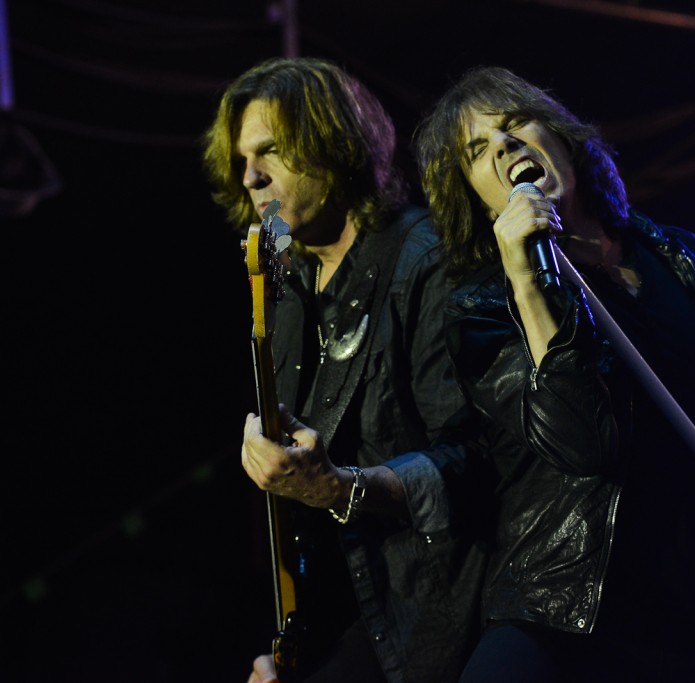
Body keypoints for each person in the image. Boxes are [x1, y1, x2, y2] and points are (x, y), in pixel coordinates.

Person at [413, 65, 695, 682]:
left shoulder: (677, 256)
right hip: (570, 611)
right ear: (475, 195)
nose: (505, 145)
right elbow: (583, 443)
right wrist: (527, 279)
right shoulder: (483, 305)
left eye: (516, 124)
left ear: (562, 136)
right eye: (478, 150)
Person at [202, 57, 488, 683]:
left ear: (332, 145)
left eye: (270, 151)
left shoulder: (424, 259)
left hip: (443, 616)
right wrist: (289, 654)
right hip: (350, 622)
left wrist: (340, 487)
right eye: (242, 159)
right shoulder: (286, 290)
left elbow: (478, 459)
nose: (250, 176)